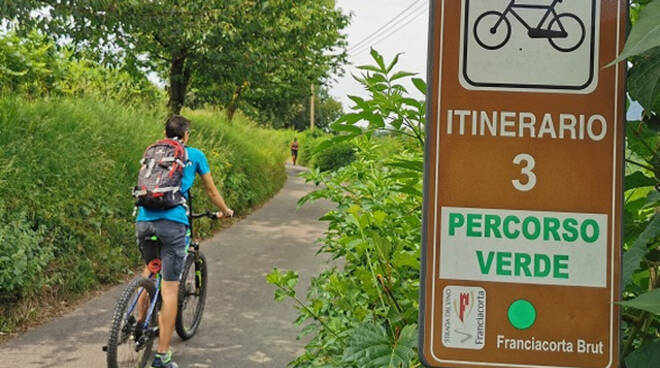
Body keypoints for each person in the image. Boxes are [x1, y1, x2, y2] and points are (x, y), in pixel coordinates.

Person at [136, 115, 234, 368]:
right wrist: (226, 211)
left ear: (165, 133)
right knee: (169, 289)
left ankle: (138, 326)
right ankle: (162, 355)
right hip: (173, 223)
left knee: (149, 271)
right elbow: (212, 191)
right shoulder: (196, 155)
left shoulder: (153, 152)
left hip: (144, 220)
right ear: (186, 135)